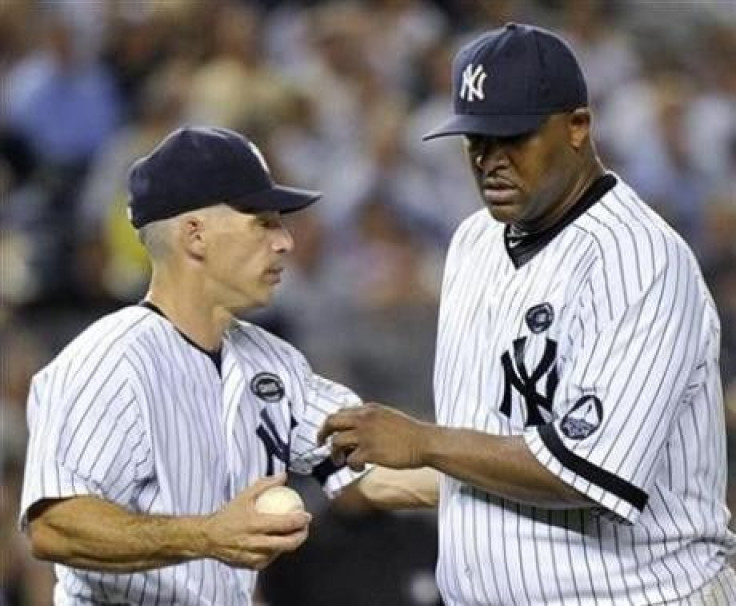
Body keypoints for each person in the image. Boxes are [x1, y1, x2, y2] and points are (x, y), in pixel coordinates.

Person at [319, 23, 736, 605]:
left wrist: (423, 442)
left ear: (577, 127)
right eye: (476, 141)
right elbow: (487, 447)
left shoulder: (640, 259)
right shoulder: (472, 242)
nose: (491, 160)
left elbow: (586, 470)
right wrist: (349, 480)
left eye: (512, 136)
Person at [19, 126, 437, 605]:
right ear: (195, 235)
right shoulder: (107, 362)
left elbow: (372, 473)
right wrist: (207, 535)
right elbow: (54, 528)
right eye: (263, 222)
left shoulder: (273, 362)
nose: (286, 242)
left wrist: (508, 476)